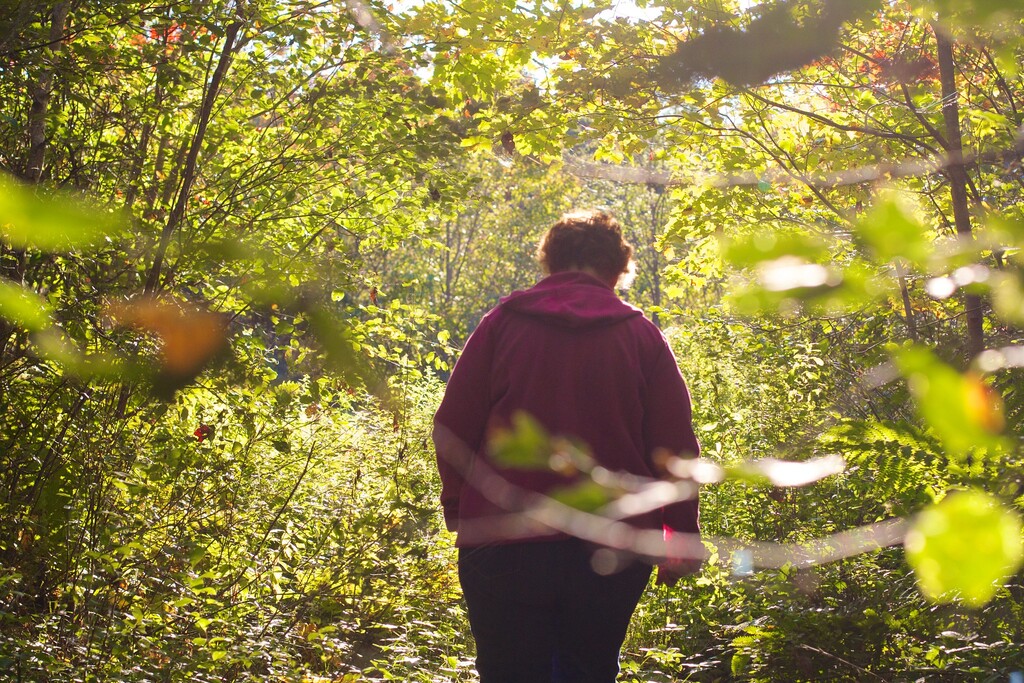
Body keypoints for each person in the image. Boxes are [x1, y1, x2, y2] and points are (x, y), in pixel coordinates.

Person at [432, 209, 701, 683]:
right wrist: (679, 534)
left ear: (549, 261)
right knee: (588, 671)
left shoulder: (502, 325)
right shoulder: (641, 336)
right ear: (619, 269)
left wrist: (460, 507)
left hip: (503, 538)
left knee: (510, 673)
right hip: (611, 543)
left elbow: (454, 425)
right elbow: (675, 446)